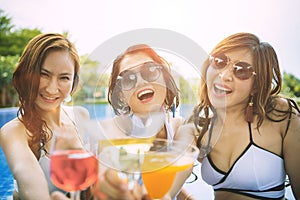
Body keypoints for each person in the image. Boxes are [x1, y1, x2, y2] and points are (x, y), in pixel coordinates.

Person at [177, 32, 300, 199]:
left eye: (242, 71)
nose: (224, 75)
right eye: (219, 61)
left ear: (256, 86)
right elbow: (174, 179)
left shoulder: (281, 116)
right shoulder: (199, 124)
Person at [95, 44, 193, 200]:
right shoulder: (110, 130)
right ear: (121, 94)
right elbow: (105, 178)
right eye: (127, 79)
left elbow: (172, 181)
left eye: (150, 71)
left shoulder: (179, 127)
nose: (140, 82)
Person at [0, 33, 90, 200]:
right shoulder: (14, 132)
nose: (51, 88)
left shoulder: (80, 116)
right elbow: (30, 182)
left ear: (73, 81)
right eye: (44, 74)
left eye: (64, 78)